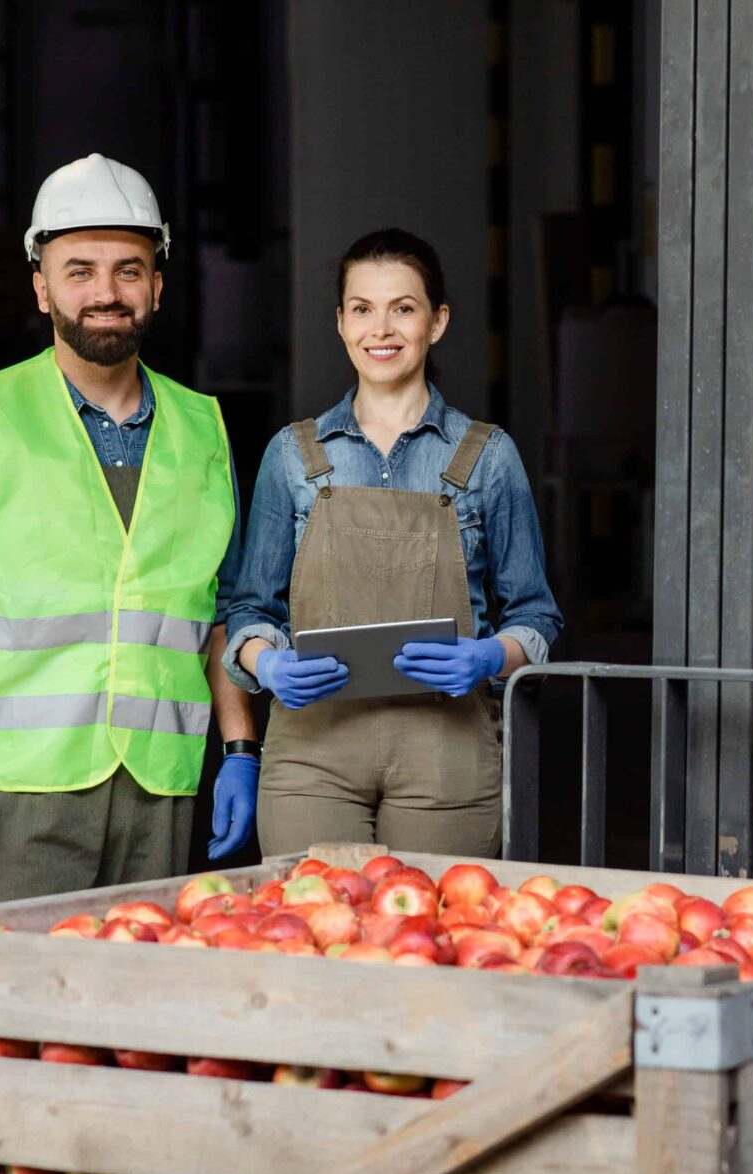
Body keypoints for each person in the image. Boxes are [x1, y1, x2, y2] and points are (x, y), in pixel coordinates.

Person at [0, 153, 260, 906]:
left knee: (137, 1011)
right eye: (79, 270)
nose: (106, 292)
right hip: (17, 793)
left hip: (162, 787)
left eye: (129, 270)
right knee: (19, 1013)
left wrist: (239, 750)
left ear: (158, 286)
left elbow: (220, 609)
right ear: (42, 286)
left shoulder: (205, 427)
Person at [224, 227, 561, 856]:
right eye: (363, 309)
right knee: (311, 939)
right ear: (341, 323)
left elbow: (536, 614)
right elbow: (249, 609)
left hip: (447, 752)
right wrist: (267, 663)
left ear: (437, 322)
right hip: (312, 755)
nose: (381, 329)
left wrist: (490, 658)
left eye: (403, 308)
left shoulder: (487, 457)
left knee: (436, 940)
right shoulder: (293, 457)